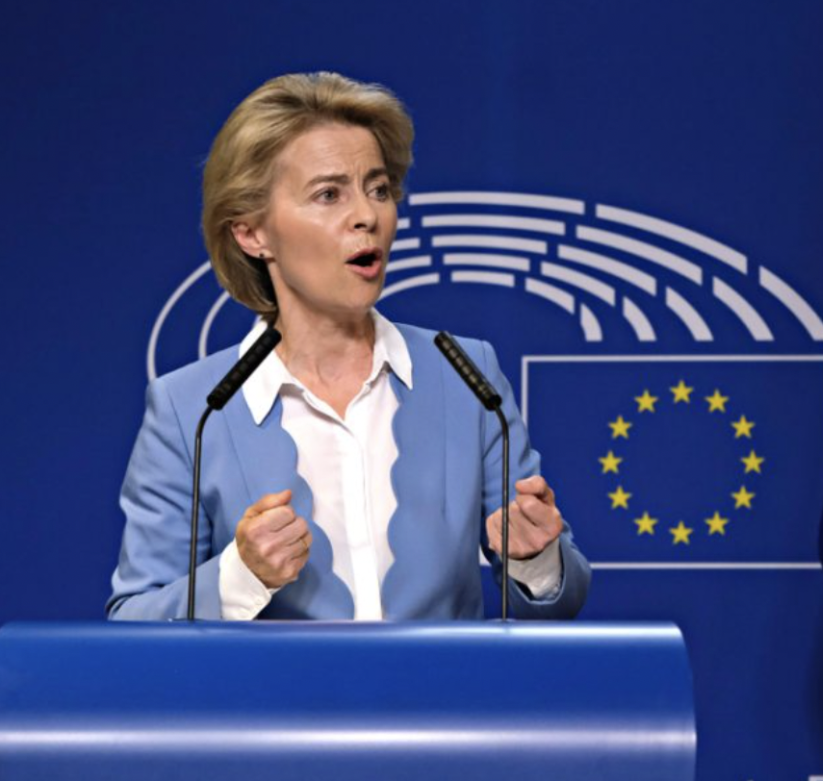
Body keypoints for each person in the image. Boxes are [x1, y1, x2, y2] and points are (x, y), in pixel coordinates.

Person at [106, 72, 590, 621]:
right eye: (328, 194)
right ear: (252, 233)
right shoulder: (190, 410)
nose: (368, 216)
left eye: (379, 189)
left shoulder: (466, 374)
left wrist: (535, 559)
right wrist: (240, 576)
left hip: (443, 683)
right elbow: (133, 620)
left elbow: (559, 601)